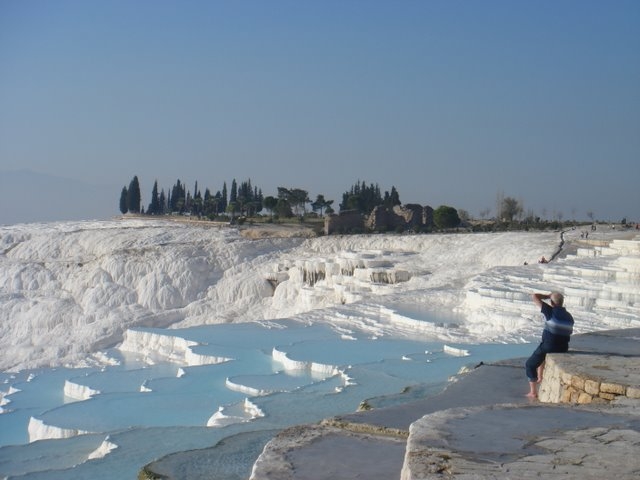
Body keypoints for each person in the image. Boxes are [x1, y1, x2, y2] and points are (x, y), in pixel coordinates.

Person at [525, 291, 574, 398]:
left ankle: (533, 392)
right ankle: (540, 377)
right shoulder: (569, 316)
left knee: (529, 365)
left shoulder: (550, 311)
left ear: (552, 302)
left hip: (549, 346)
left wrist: (547, 296)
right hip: (563, 347)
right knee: (542, 352)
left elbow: (535, 296)